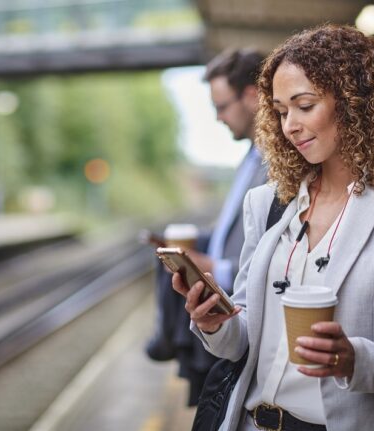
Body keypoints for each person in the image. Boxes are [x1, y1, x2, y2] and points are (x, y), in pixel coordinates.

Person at [173, 25, 374, 431]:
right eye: (279, 111)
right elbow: (242, 341)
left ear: (354, 102)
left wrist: (356, 360)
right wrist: (214, 322)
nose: (289, 125)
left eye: (304, 105)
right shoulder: (268, 203)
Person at [146, 49, 267, 406]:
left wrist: (217, 267)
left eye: (222, 106)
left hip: (240, 311)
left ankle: (167, 339)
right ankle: (167, 337)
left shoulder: (275, 163)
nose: (217, 117)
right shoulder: (250, 157)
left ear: (251, 96)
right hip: (224, 315)